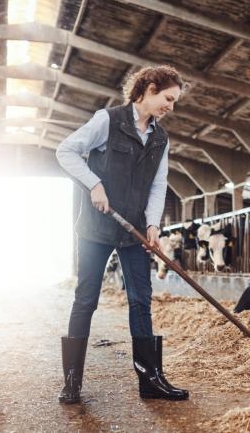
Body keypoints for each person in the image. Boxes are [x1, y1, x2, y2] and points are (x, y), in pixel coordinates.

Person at [55, 65, 188, 404]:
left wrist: (153, 225)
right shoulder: (108, 120)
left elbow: (158, 187)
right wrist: (94, 184)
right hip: (96, 229)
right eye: (168, 99)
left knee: (141, 301)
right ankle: (72, 382)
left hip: (134, 233)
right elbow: (65, 151)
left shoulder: (160, 138)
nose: (170, 107)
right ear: (149, 88)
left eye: (174, 102)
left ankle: (150, 379)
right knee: (86, 300)